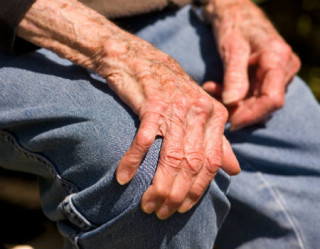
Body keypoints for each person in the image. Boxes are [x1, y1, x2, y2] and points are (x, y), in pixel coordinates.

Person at [0, 0, 319, 248]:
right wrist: (114, 50)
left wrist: (230, 6)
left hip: (153, 14)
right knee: (153, 175)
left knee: (303, 144)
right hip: (16, 28)